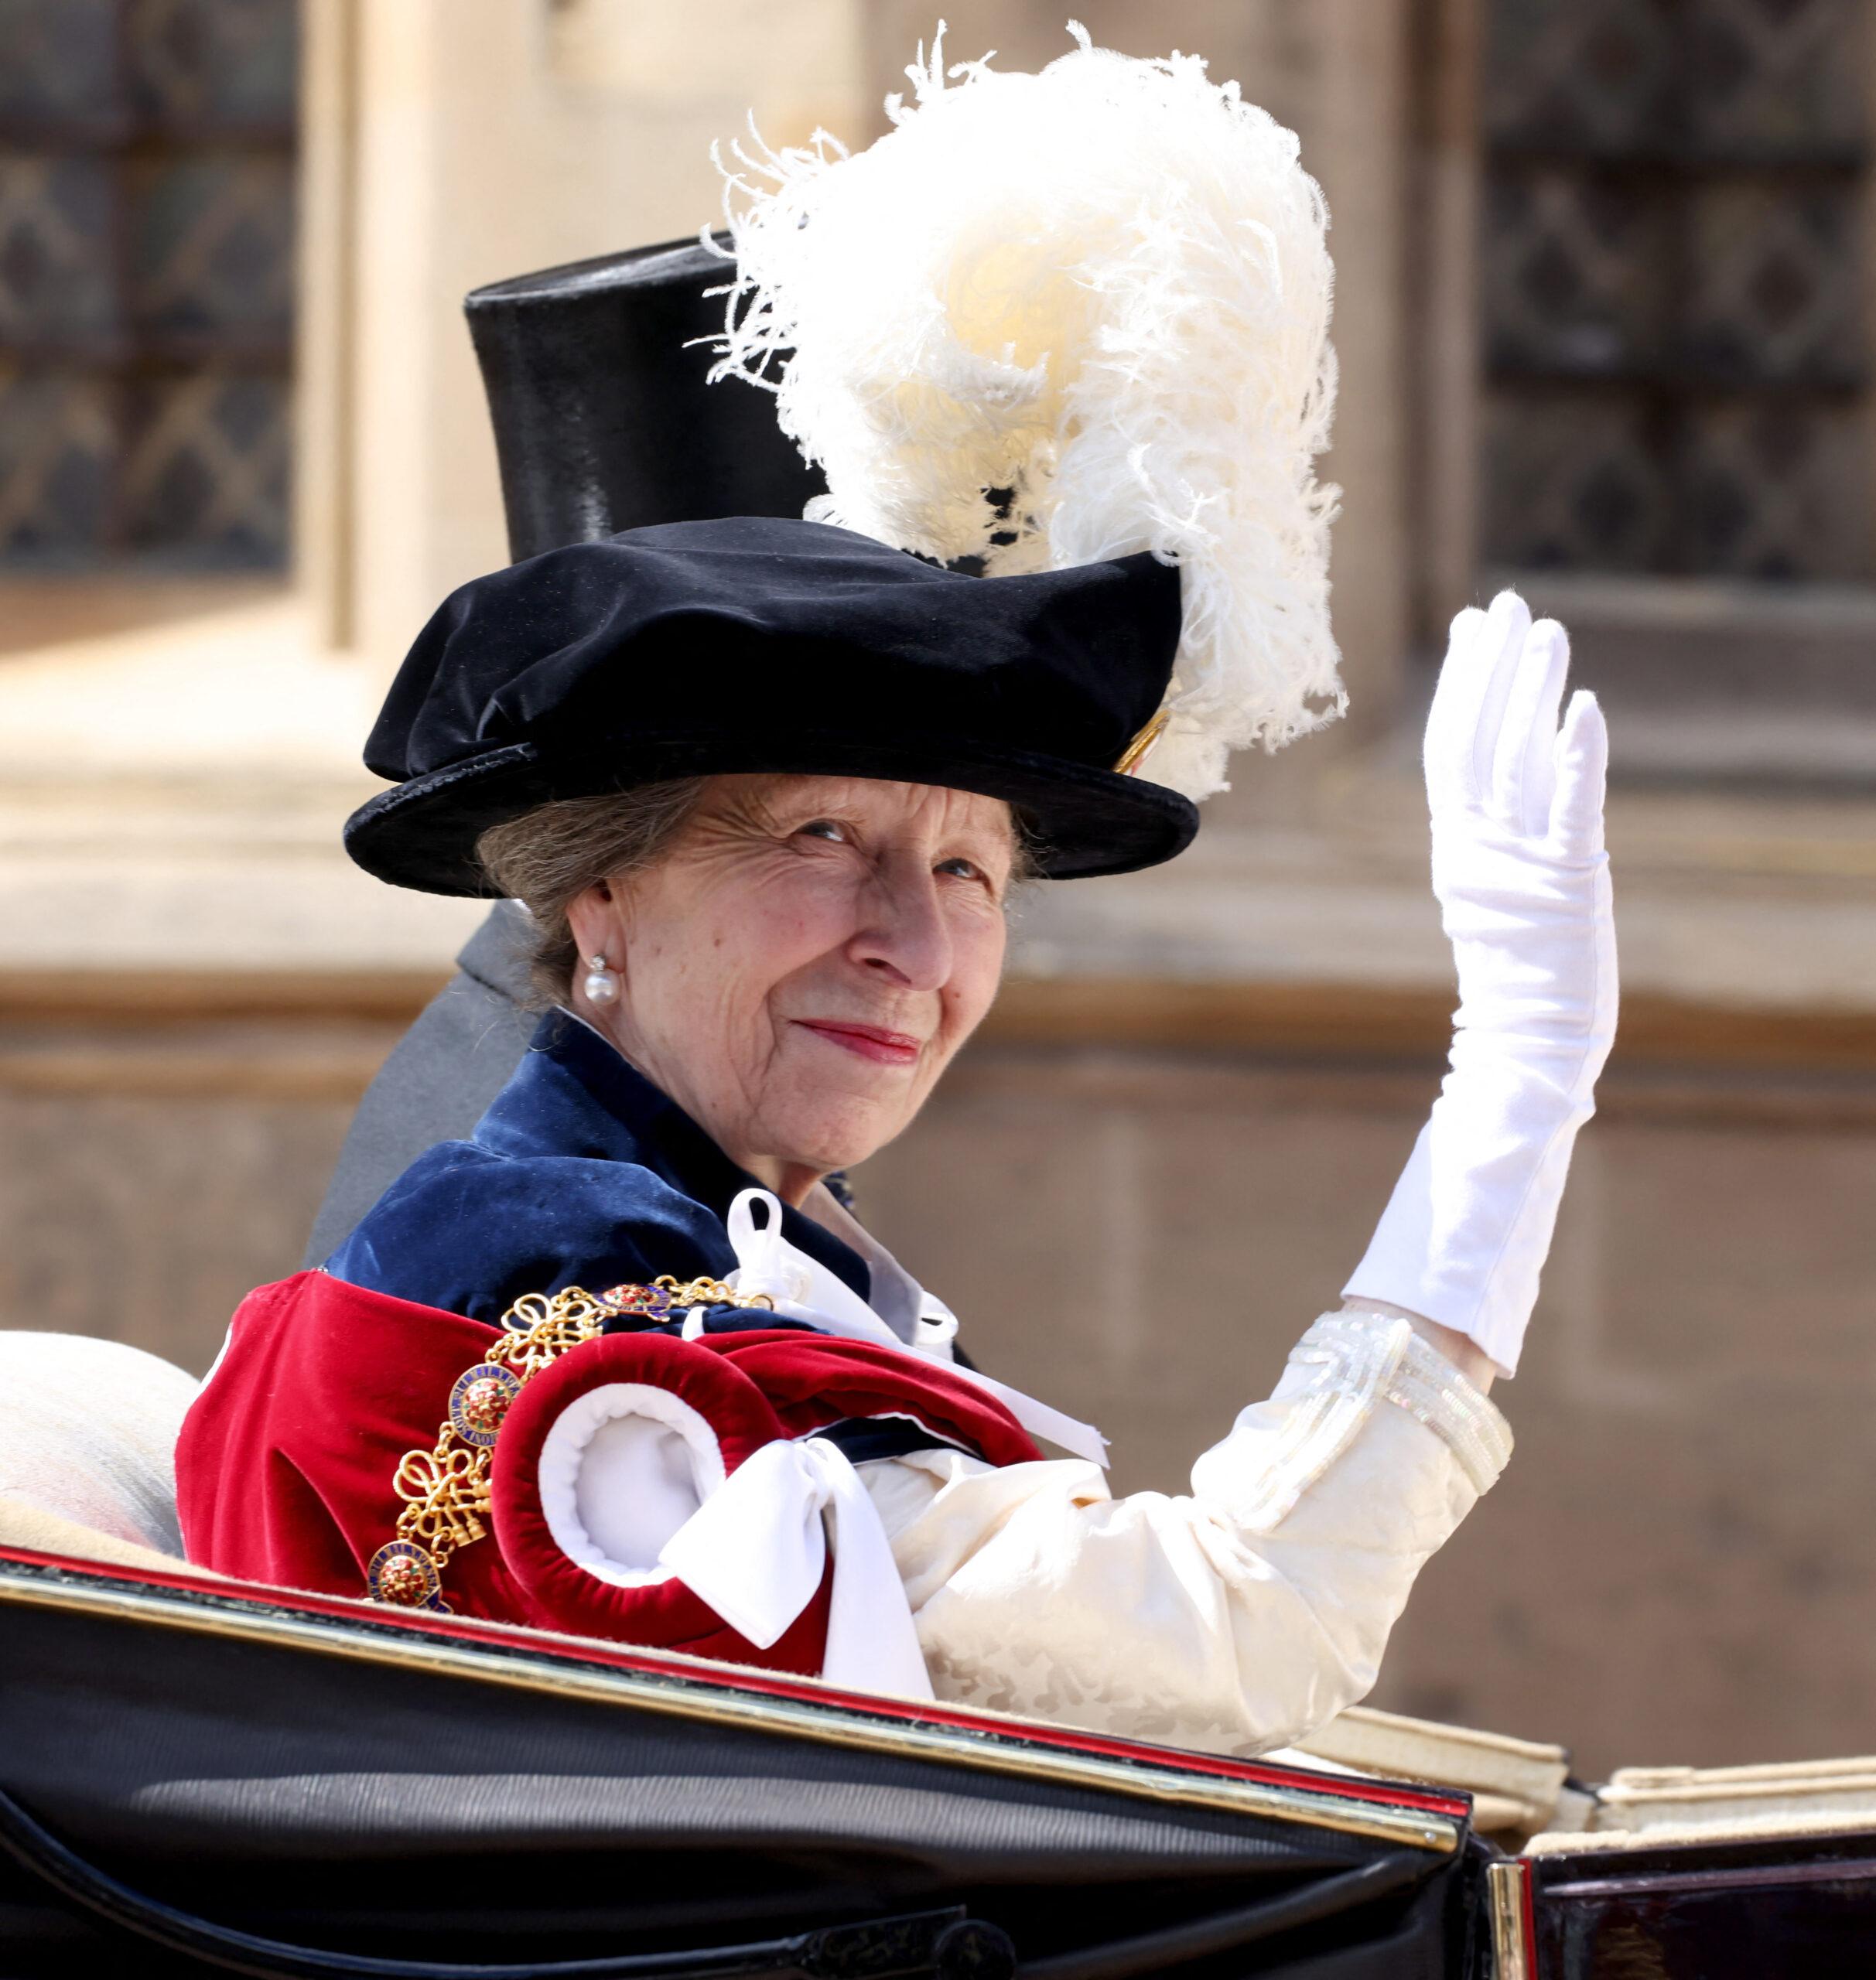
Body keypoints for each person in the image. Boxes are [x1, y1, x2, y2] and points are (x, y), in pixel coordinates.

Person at [176, 32, 1616, 1757]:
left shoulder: (662, 1234)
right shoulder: (585, 1305)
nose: (916, 946)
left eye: (966, 866)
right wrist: (1518, 1081)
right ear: (601, 894)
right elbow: (1232, 1640)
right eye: (815, 840)